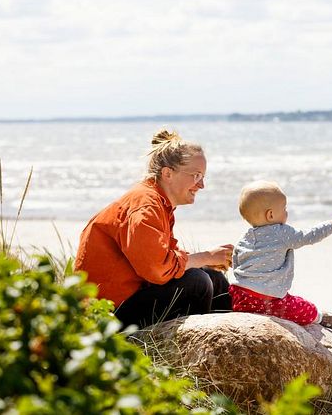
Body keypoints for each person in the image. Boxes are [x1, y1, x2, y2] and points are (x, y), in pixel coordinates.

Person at [75, 129, 234, 328]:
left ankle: (231, 343)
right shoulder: (146, 205)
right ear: (167, 173)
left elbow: (160, 260)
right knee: (198, 282)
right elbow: (157, 269)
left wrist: (205, 260)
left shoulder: (159, 203)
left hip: (131, 298)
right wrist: (206, 256)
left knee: (215, 280)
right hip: (107, 315)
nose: (201, 185)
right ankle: (194, 349)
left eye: (202, 177)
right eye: (196, 175)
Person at [229, 180, 332, 330]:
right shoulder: (281, 232)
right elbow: (308, 236)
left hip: (241, 299)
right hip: (267, 300)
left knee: (290, 300)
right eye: (284, 208)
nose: (287, 212)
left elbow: (236, 264)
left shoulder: (244, 239)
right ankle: (320, 318)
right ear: (271, 215)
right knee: (303, 307)